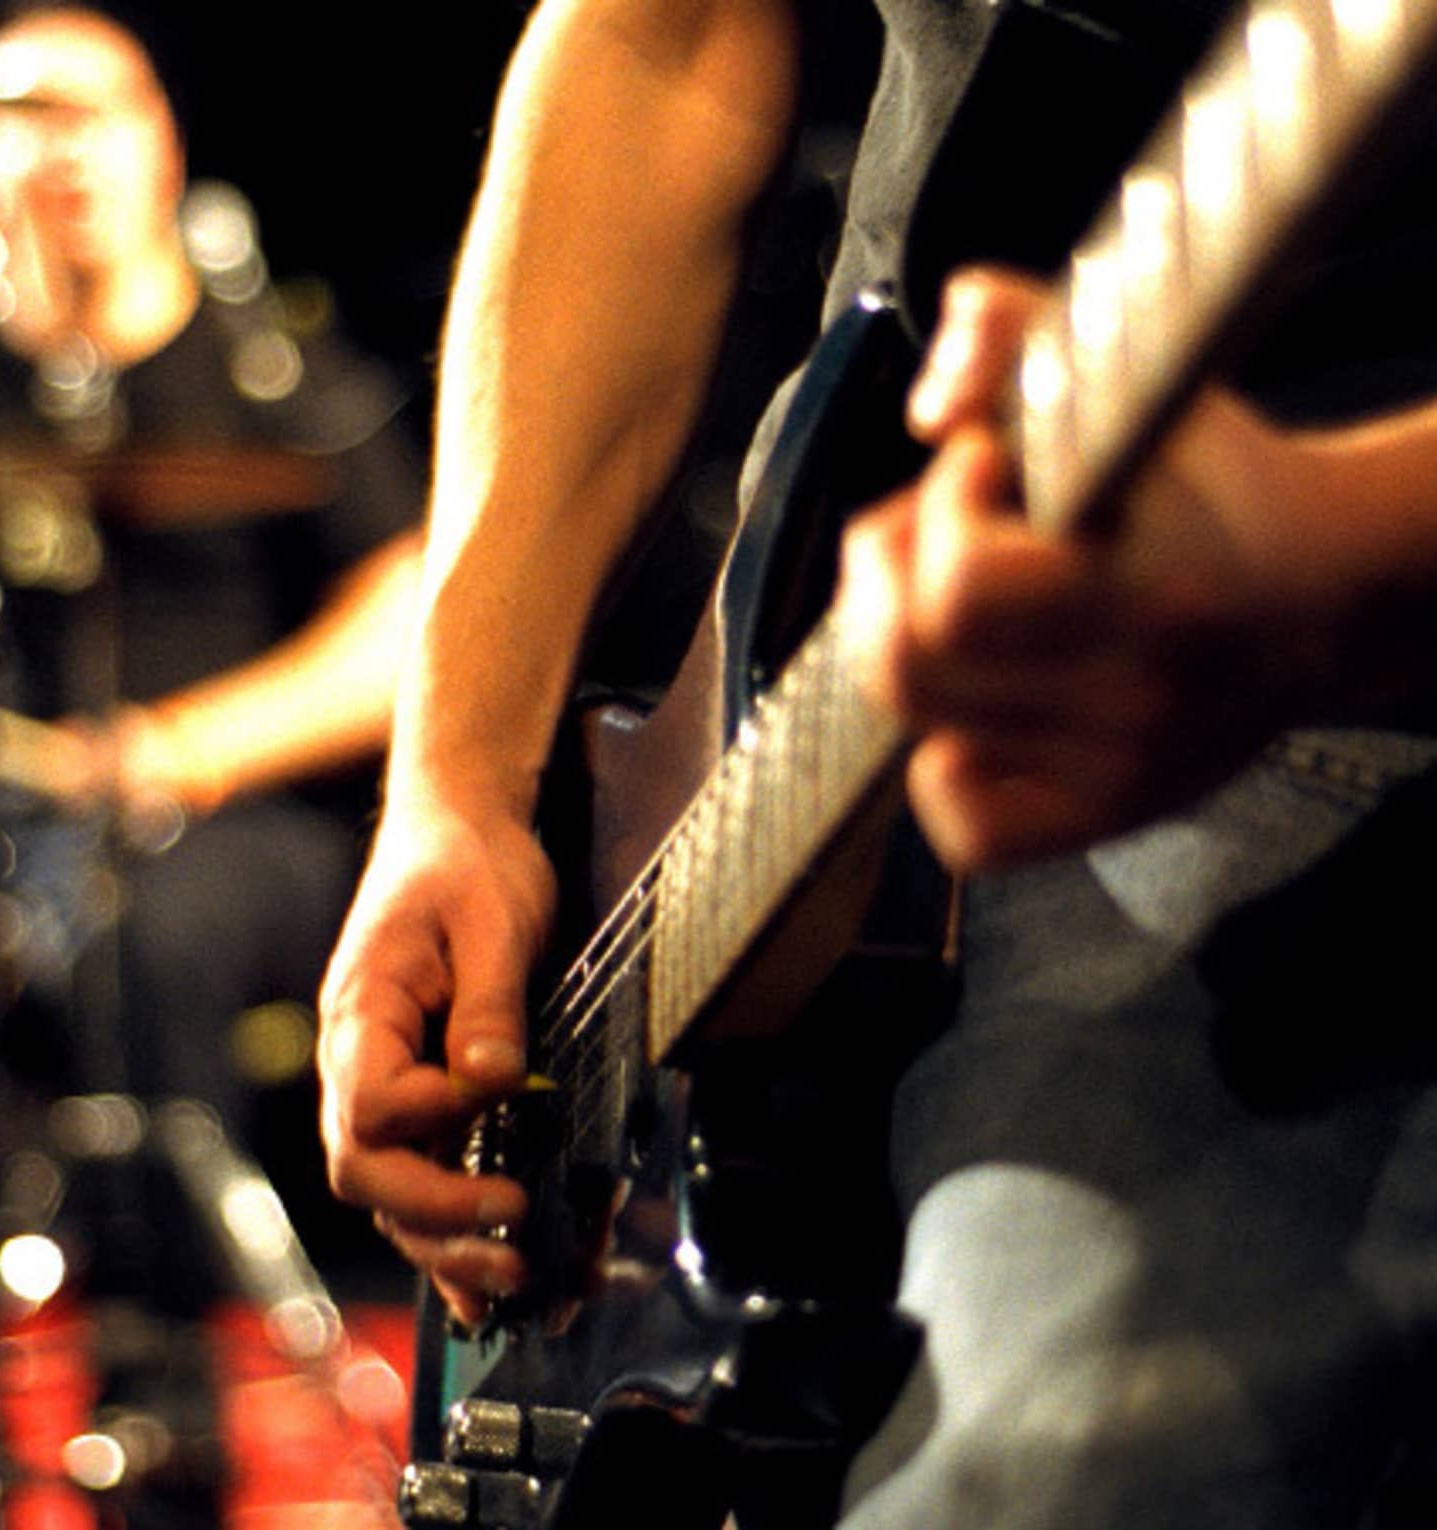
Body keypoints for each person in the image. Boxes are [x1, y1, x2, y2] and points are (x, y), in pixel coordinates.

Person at [318, 0, 1437, 1524]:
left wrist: (1334, 555)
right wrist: (458, 777)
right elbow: (664, 39)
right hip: (817, 666)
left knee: (1033, 1478)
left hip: (1332, 682)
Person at [0, 7, 424, 1257]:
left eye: (93, 116)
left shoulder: (274, 374)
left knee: (144, 937)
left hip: (238, 829)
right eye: (22, 124)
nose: (64, 156)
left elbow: (409, 615)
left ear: (161, 144)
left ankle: (165, 1365)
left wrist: (169, 749)